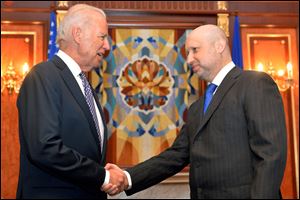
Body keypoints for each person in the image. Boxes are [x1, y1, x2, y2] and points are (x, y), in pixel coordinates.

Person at [102, 24, 287, 199]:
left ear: (219, 46)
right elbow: (176, 155)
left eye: (195, 50)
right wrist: (127, 177)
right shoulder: (197, 107)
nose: (189, 59)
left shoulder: (254, 83)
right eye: (187, 53)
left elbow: (270, 155)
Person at [16, 4, 127, 199]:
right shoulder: (43, 76)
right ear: (78, 34)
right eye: (102, 37)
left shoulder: (85, 86)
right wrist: (102, 176)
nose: (107, 46)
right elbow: (45, 147)